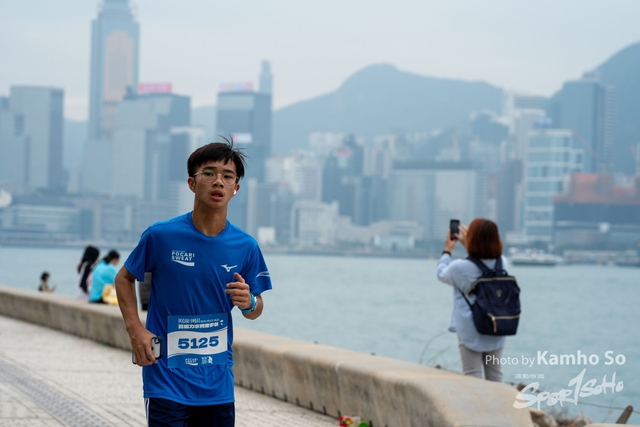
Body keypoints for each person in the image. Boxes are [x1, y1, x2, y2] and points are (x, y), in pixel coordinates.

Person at [115, 140, 273, 426]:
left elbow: (255, 310)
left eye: (227, 176)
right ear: (192, 183)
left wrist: (249, 302)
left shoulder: (246, 246)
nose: (218, 182)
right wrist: (136, 330)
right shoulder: (161, 236)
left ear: (236, 188)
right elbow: (124, 278)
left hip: (217, 386)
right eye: (209, 173)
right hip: (166, 381)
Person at [436, 218, 508, 382]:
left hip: (470, 330)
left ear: (472, 238)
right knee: (495, 376)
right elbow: (482, 262)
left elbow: (441, 274)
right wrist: (471, 248)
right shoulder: (502, 263)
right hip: (496, 326)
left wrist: (447, 251)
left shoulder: (459, 267)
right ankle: (498, 401)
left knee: (472, 376)